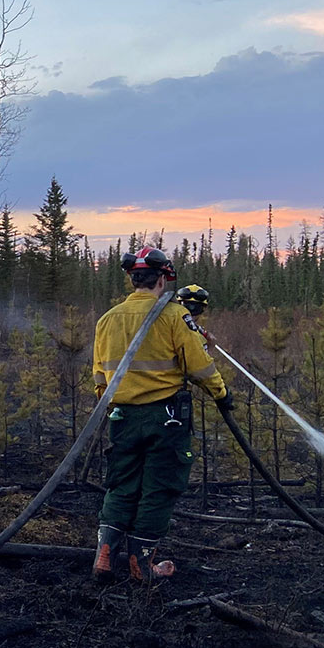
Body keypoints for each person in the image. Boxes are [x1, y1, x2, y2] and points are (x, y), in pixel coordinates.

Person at [92, 248, 231, 582]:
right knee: (159, 488)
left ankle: (105, 556)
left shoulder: (107, 319)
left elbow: (99, 377)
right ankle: (141, 566)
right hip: (165, 419)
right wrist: (221, 394)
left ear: (132, 278)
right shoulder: (173, 316)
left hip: (122, 418)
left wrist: (115, 405)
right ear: (163, 278)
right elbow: (198, 366)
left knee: (121, 485)